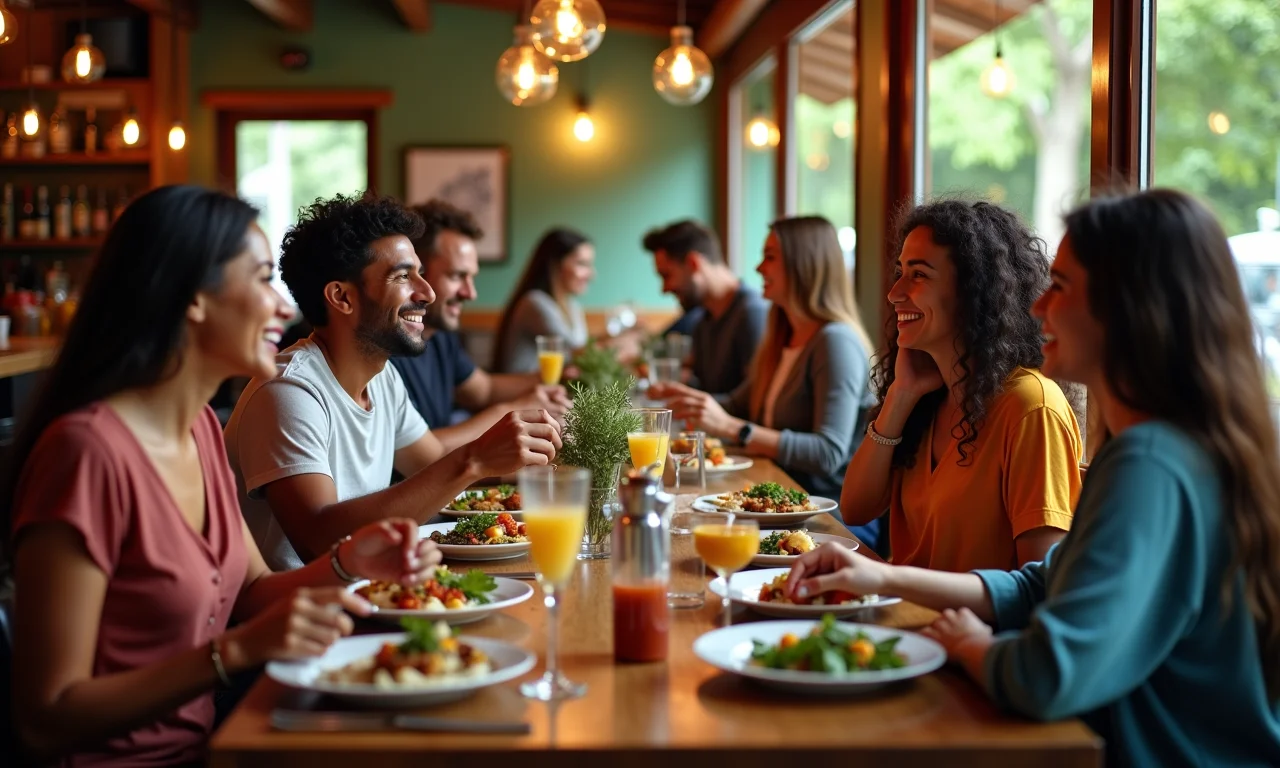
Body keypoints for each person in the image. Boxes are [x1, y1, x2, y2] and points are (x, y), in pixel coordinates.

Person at [785, 189, 1280, 766]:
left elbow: (1048, 674)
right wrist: (878, 576)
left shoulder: (1148, 459)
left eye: (1061, 287)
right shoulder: (1154, 445)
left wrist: (972, 648)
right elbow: (1043, 583)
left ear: (1129, 307)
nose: (1038, 305)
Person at [2, 186, 443, 766]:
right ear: (193, 300)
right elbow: (45, 716)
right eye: (261, 279)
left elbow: (253, 593)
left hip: (216, 746)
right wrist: (232, 652)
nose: (284, 306)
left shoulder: (201, 432)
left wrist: (350, 562)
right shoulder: (87, 454)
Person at [224, 193, 561, 571]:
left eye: (420, 272)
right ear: (342, 297)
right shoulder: (289, 391)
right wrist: (475, 458)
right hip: (304, 617)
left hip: (378, 591)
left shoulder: (382, 377)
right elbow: (318, 540)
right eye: (403, 276)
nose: (427, 292)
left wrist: (538, 450)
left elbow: (430, 464)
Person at [840, 200, 1081, 571]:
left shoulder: (1031, 405)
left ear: (974, 291)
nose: (895, 293)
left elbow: (1041, 585)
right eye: (900, 272)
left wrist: (888, 581)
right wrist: (900, 396)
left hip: (964, 627)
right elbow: (855, 508)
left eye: (918, 275)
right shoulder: (931, 395)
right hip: (905, 614)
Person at [651, 217, 880, 547]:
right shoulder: (781, 338)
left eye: (770, 256)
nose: (758, 268)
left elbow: (828, 453)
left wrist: (736, 429)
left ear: (805, 265)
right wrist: (691, 400)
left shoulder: (835, 342)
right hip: (780, 505)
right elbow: (736, 404)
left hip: (829, 520)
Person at [389, 200, 571, 453]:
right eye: (456, 276)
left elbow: (483, 389)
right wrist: (512, 410)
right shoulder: (386, 345)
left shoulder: (439, 334)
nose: (470, 293)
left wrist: (545, 388)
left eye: (471, 277)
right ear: (416, 272)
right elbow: (418, 452)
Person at [643, 219, 768, 395]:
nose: (664, 289)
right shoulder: (703, 320)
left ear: (693, 263)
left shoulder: (752, 313)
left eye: (666, 275)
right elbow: (707, 390)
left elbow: (756, 401)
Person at [493, 228, 594, 374]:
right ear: (556, 264)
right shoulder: (534, 303)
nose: (591, 274)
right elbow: (575, 352)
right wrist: (618, 341)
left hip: (553, 391)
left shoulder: (574, 307)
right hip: (523, 391)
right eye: (582, 264)